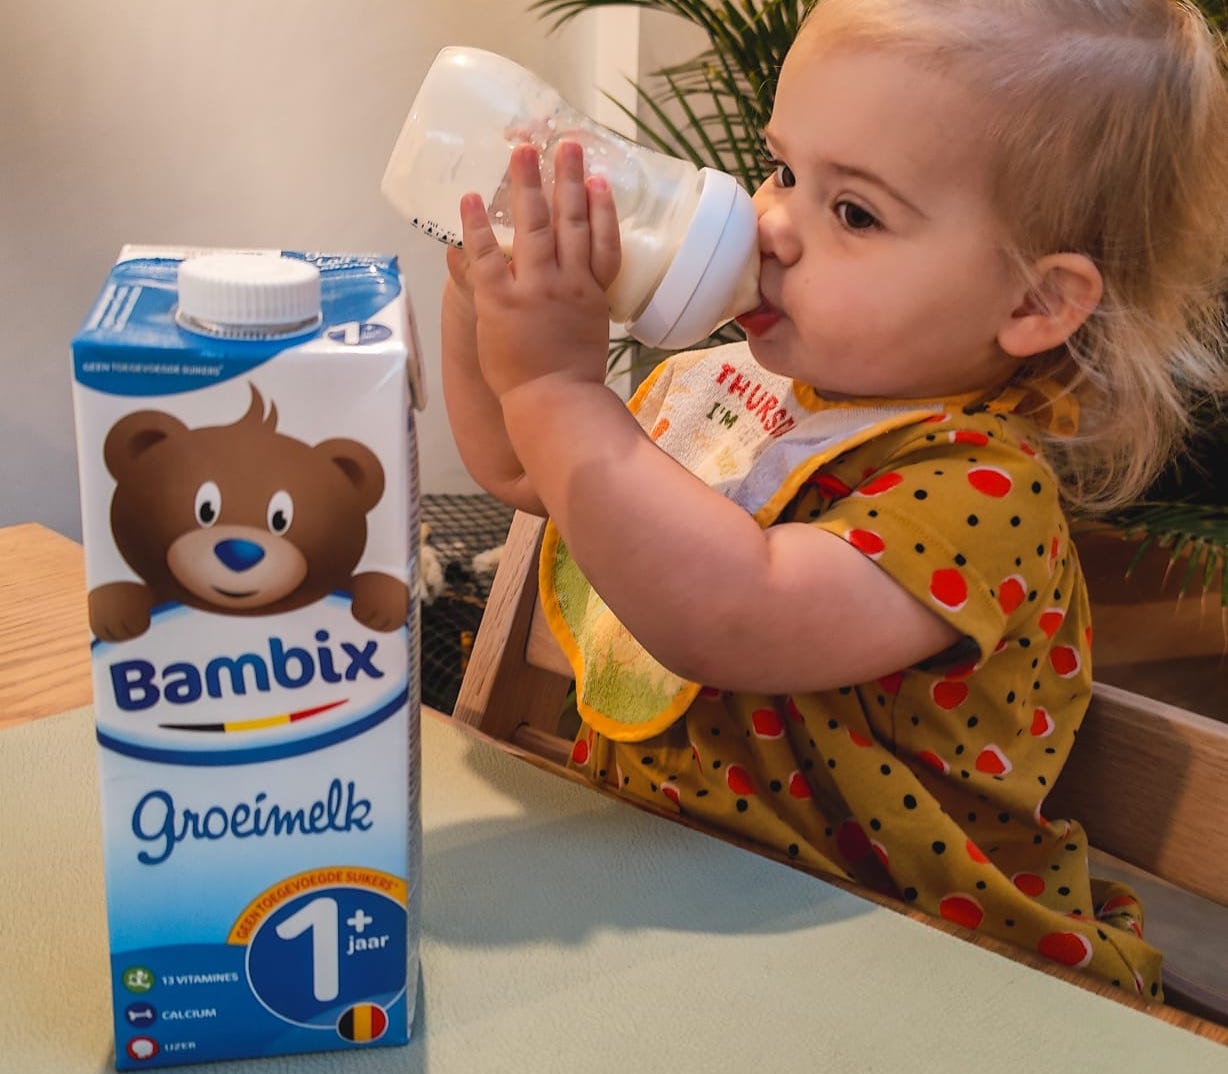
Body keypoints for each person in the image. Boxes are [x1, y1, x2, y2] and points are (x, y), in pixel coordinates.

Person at [440, 0, 1228, 998]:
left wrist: (553, 388)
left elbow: (735, 614)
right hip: (692, 904)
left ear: (1032, 301)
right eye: (782, 171)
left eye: (851, 211)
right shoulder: (745, 396)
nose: (771, 224)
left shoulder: (977, 493)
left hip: (914, 970)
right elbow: (523, 473)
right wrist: (483, 296)